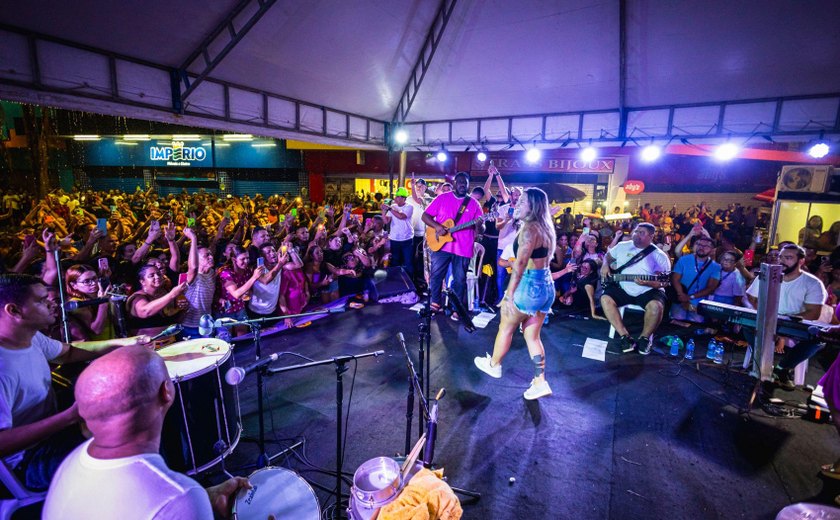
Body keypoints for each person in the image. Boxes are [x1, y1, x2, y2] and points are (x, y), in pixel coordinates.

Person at [43, 346, 252, 519]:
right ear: (166, 392)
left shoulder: (73, 460)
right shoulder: (179, 497)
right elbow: (167, 503)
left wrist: (207, 498)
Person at [0, 274, 148, 491]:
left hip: (53, 429)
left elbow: (68, 353)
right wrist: (68, 417)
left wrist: (126, 343)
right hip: (27, 461)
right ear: (14, 311)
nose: (53, 304)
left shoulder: (31, 337)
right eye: (42, 301)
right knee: (126, 447)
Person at [474, 187, 556, 400]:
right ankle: (540, 381)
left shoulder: (530, 229)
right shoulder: (546, 227)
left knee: (506, 327)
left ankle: (494, 364)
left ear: (534, 206)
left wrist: (509, 294)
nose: (517, 205)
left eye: (522, 202)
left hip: (528, 285)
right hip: (545, 285)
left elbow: (519, 264)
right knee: (532, 335)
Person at [745, 244, 827, 390]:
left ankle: (782, 368)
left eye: (788, 258)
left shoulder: (813, 283)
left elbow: (814, 313)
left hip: (794, 323)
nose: (782, 261)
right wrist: (765, 315)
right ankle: (762, 362)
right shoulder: (767, 275)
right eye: (780, 257)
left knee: (818, 340)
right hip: (767, 319)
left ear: (801, 261)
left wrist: (782, 323)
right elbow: (751, 297)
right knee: (747, 325)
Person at [600, 223, 672, 355]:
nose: (636, 235)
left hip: (647, 291)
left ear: (651, 236)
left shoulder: (659, 255)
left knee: (656, 306)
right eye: (636, 232)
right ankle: (625, 336)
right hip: (623, 287)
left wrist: (650, 284)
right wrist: (605, 265)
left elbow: (665, 282)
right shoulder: (622, 246)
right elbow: (608, 257)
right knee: (605, 299)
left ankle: (644, 339)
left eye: (641, 233)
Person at [422, 172, 484, 318]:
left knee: (460, 279)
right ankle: (435, 304)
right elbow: (425, 216)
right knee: (436, 276)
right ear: (455, 183)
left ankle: (457, 308)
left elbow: (481, 230)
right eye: (460, 181)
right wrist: (437, 227)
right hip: (441, 245)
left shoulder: (474, 204)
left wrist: (480, 225)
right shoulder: (443, 198)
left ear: (469, 184)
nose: (463, 184)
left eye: (466, 182)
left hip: (463, 248)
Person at [125, 265, 188, 342]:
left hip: (171, 342)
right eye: (151, 275)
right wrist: (172, 295)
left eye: (158, 274)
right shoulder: (138, 297)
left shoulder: (166, 294)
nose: (157, 277)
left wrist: (183, 309)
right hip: (147, 347)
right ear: (142, 281)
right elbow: (144, 311)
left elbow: (177, 320)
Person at [670, 235, 721, 324]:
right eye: (699, 244)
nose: (702, 247)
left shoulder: (715, 267)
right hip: (679, 299)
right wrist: (681, 295)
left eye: (706, 246)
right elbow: (675, 279)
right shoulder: (684, 260)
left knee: (695, 326)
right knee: (676, 323)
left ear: (712, 250)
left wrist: (689, 297)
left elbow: (711, 287)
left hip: (698, 302)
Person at [382, 187, 414, 279]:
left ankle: (410, 283)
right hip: (395, 239)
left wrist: (390, 209)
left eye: (397, 196)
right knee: (395, 262)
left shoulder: (409, 207)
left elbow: (401, 216)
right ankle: (397, 283)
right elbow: (386, 221)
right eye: (395, 196)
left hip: (407, 239)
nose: (395, 198)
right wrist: (383, 211)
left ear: (404, 198)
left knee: (408, 263)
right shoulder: (393, 207)